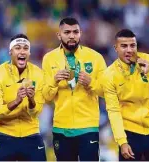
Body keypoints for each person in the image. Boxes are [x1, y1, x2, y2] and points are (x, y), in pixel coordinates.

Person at [42, 17, 107, 161]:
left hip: (88, 127)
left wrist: (91, 82)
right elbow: (46, 96)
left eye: (75, 32)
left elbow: (106, 91)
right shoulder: (49, 59)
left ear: (80, 33)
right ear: (59, 35)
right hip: (61, 128)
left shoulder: (96, 58)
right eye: (67, 32)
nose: (72, 36)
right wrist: (54, 80)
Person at [0, 34, 46, 161]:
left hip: (31, 134)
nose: (22, 51)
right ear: (10, 51)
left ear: (29, 53)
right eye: (17, 48)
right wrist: (16, 102)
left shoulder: (38, 74)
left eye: (25, 48)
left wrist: (31, 101)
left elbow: (37, 112)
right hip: (4, 134)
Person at [102, 29, 149, 161]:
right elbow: (113, 111)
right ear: (116, 48)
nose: (129, 50)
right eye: (124, 46)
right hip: (130, 133)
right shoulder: (109, 75)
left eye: (133, 45)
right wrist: (122, 142)